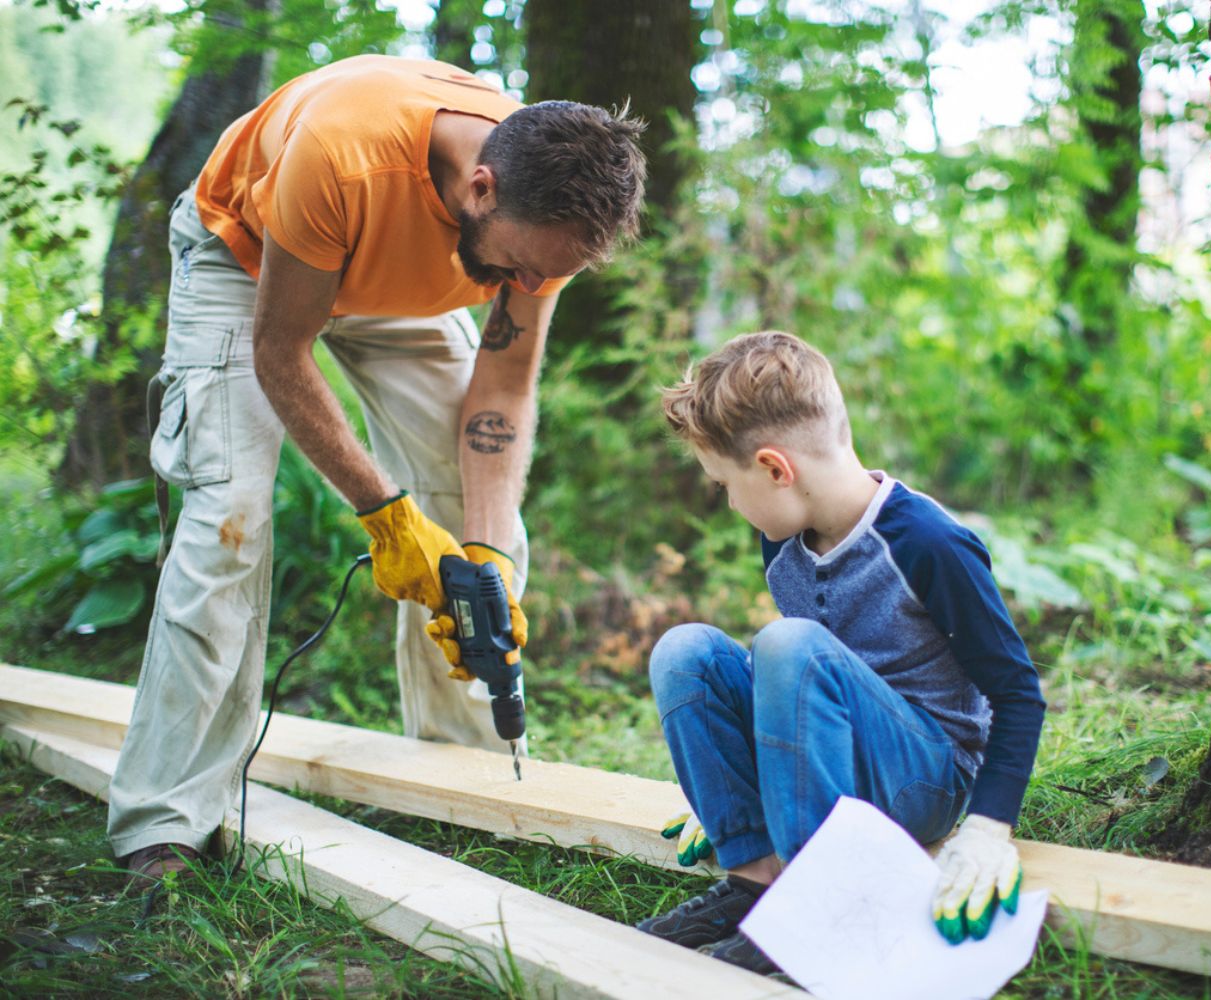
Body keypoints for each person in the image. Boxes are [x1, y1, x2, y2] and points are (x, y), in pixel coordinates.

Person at [107, 54, 646, 887]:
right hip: (248, 259)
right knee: (229, 521)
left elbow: (503, 386)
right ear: (482, 188)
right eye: (524, 267)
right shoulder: (343, 152)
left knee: (476, 525)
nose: (533, 287)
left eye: (553, 273)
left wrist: (487, 553)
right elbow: (280, 352)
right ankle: (167, 823)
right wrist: (387, 518)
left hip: (404, 289)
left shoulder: (549, 216)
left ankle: (463, 787)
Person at [636, 331, 1046, 974]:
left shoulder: (928, 543)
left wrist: (990, 827)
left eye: (724, 484)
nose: (729, 502)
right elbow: (796, 689)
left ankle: (816, 910)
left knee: (788, 642)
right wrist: (730, 773)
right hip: (831, 760)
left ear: (775, 469)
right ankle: (757, 884)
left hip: (923, 775)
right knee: (684, 649)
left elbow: (1018, 693)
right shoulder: (786, 536)